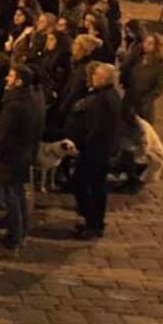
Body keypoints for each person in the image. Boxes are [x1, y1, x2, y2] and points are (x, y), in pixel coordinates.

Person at [67, 63, 123, 239]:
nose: (92, 77)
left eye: (96, 75)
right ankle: (92, 220)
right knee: (93, 186)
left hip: (95, 153)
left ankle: (92, 222)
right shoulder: (108, 95)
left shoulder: (103, 100)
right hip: (99, 151)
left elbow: (96, 129)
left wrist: (83, 147)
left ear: (105, 78)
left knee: (87, 186)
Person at [0, 65, 44, 252]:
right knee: (19, 194)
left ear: (19, 81)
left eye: (11, 76)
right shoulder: (30, 99)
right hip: (22, 154)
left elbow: (3, 135)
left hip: (10, 158)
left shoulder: (14, 106)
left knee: (11, 197)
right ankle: (21, 230)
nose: (7, 79)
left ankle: (15, 234)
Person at [120, 33, 163, 123]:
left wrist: (146, 100)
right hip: (129, 99)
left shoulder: (160, 64)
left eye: (150, 43)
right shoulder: (137, 56)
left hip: (143, 105)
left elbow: (159, 88)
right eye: (145, 42)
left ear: (156, 46)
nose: (146, 45)